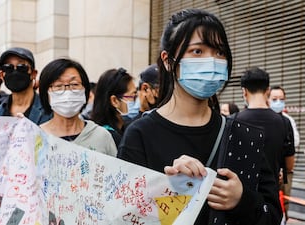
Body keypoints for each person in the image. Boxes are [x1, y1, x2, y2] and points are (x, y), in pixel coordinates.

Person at [118, 9, 281, 224]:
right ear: (168, 60)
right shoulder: (140, 135)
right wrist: (169, 191)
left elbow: (272, 215)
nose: (212, 61)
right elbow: (124, 215)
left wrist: (242, 200)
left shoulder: (244, 135)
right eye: (197, 51)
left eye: (220, 53)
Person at [38, 58, 117, 157]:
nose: (67, 91)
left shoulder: (101, 137)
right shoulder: (36, 137)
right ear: (46, 93)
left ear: (85, 90)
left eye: (74, 84)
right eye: (58, 86)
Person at [238, 67, 295, 184]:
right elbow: (289, 165)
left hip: (242, 193)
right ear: (268, 90)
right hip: (271, 192)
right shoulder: (284, 122)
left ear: (244, 91)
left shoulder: (234, 121)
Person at [0, 47, 51, 125]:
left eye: (22, 67)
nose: (15, 72)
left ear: (33, 74)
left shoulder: (48, 110)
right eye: (8, 67)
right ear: (1, 75)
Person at [268, 85, 299, 218]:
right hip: (267, 171)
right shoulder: (264, 119)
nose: (278, 102)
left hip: (285, 171)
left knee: (284, 202)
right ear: (267, 99)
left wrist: (285, 169)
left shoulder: (288, 121)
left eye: (281, 99)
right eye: (274, 99)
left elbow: (294, 144)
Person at [91, 68, 137, 147]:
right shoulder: (108, 137)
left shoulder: (122, 129)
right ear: (115, 101)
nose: (136, 101)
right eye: (133, 96)